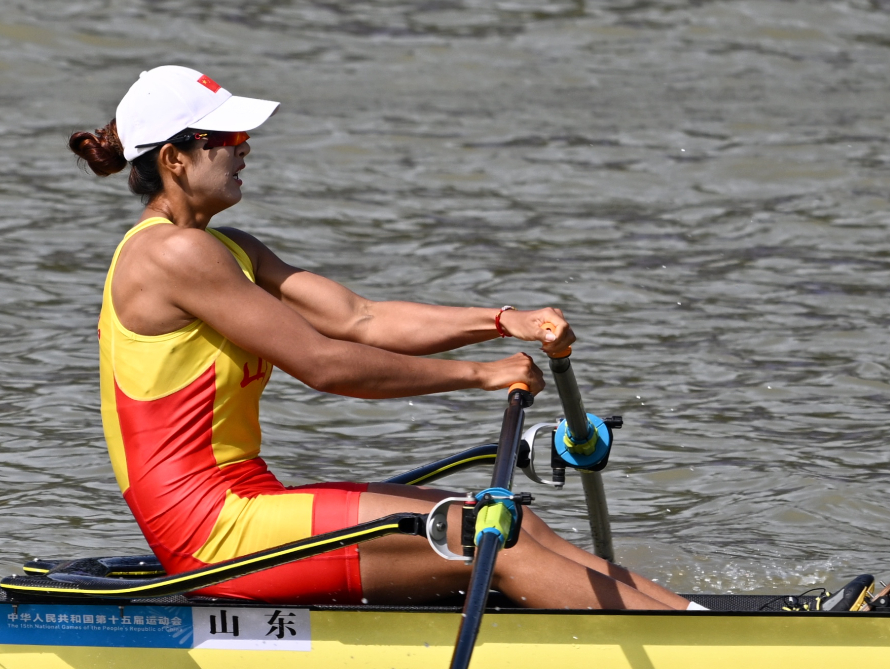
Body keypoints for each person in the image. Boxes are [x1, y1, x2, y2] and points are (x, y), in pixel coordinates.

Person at [69, 65, 699, 611]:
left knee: (515, 519)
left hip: (249, 502)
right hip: (212, 533)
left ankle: (693, 617)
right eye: (228, 137)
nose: (245, 149)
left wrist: (502, 319)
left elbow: (360, 318)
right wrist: (480, 375)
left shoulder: (229, 249)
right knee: (484, 533)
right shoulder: (173, 254)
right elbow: (324, 364)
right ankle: (698, 647)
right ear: (175, 159)